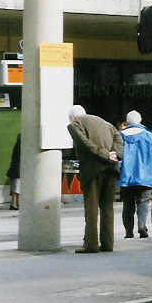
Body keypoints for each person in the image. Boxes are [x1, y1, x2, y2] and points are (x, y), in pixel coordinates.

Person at [67, 105, 123, 253]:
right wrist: (115, 154)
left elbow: (84, 143)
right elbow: (118, 138)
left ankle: (91, 244)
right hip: (111, 168)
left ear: (72, 117)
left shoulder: (74, 124)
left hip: (92, 170)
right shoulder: (106, 123)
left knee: (91, 208)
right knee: (107, 208)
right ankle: (107, 244)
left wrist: (103, 154)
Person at [118, 111, 152, 239]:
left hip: (126, 178)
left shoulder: (119, 136)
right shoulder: (149, 136)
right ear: (140, 121)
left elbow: (117, 157)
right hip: (145, 177)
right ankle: (142, 226)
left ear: (127, 122)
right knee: (143, 202)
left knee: (127, 204)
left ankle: (128, 232)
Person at [6, 134, 20, 210]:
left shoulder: (16, 146)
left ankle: (15, 203)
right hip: (17, 171)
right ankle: (14, 204)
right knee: (16, 189)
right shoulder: (19, 147)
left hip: (15, 171)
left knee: (16, 188)